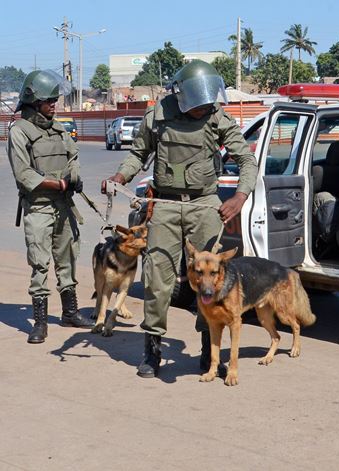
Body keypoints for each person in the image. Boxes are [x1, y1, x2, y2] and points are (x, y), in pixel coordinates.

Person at [101, 60, 257, 378]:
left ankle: (207, 352)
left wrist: (240, 196)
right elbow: (138, 154)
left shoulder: (217, 116)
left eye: (208, 101)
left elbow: (246, 158)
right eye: (198, 103)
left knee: (210, 282)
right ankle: (152, 351)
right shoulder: (157, 115)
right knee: (158, 282)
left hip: (205, 206)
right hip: (166, 206)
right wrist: (121, 176)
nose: (204, 107)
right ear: (183, 96)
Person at [7, 70, 94, 344]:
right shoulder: (19, 132)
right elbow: (24, 174)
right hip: (40, 207)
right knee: (40, 263)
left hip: (64, 206)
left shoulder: (58, 128)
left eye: (55, 100)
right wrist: (58, 184)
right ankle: (40, 322)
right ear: (34, 102)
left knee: (67, 257)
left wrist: (74, 177)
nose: (54, 104)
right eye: (49, 100)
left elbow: (73, 155)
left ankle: (70, 313)